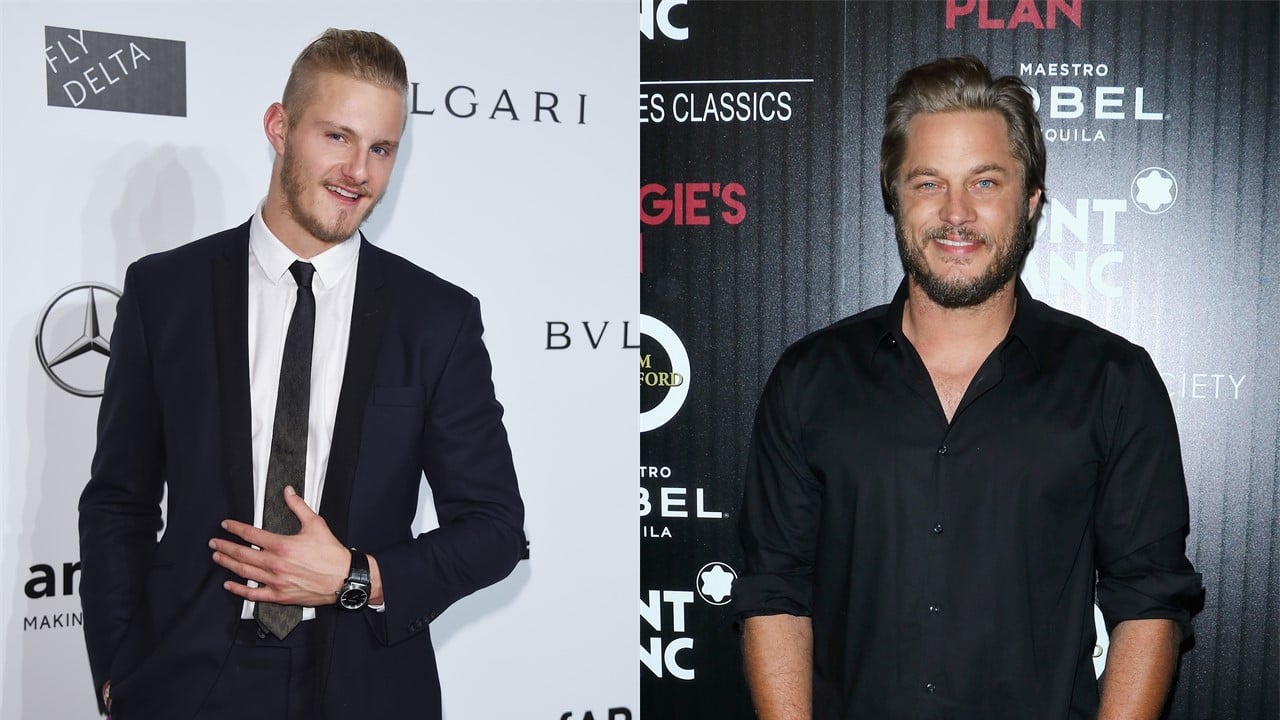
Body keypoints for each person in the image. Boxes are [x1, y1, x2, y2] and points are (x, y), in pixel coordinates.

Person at [734, 56, 1202, 720]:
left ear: (1031, 201)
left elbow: (1148, 601)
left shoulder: (1113, 382)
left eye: (985, 182)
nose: (956, 215)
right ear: (894, 195)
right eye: (929, 183)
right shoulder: (809, 379)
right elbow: (775, 592)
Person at [78, 29, 525, 720]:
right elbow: (118, 502)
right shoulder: (166, 292)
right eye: (337, 137)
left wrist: (355, 578)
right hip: (187, 681)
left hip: (367, 687)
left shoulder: (436, 318)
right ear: (279, 127)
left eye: (381, 149)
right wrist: (119, 675)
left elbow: (496, 528)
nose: (358, 171)